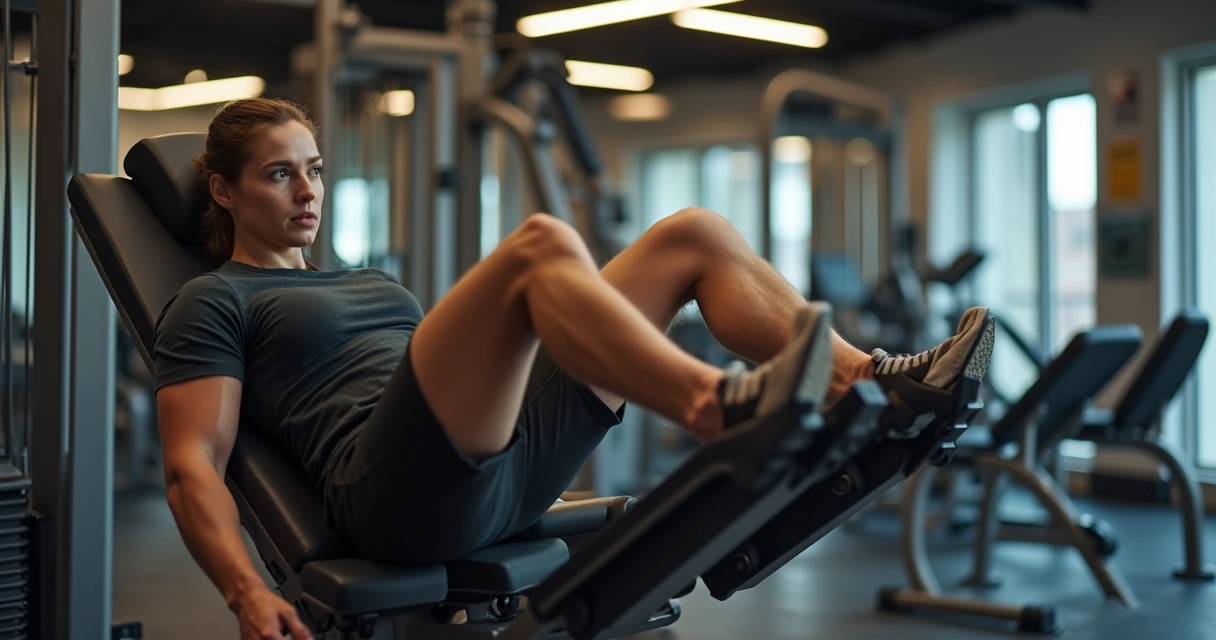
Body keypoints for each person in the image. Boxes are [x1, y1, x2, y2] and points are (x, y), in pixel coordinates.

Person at [153, 97, 994, 640]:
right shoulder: (215, 300)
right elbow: (193, 465)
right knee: (540, 245)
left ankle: (875, 384)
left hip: (500, 469)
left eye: (313, 170)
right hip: (396, 496)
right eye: (279, 175)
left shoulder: (368, 280)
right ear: (223, 192)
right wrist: (244, 591)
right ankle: (717, 405)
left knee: (692, 234)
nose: (307, 191)